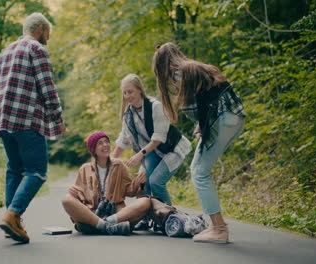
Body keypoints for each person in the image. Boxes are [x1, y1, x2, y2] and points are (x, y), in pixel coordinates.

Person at [152, 42, 246, 243]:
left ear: (162, 65)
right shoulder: (193, 67)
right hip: (235, 118)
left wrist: (204, 124)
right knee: (202, 170)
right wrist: (201, 125)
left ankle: (219, 229)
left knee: (199, 172)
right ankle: (215, 225)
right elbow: (209, 99)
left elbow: (194, 107)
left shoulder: (179, 74)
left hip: (223, 120)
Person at [0, 12, 66, 243]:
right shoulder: (37, 49)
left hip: (4, 120)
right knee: (36, 171)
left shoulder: (4, 52)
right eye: (48, 34)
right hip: (27, 119)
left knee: (14, 170)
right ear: (41, 30)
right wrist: (58, 118)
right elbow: (47, 87)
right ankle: (12, 215)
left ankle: (12, 219)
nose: (48, 39)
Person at [113, 73, 192, 230]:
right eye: (125, 92)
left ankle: (171, 218)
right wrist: (110, 161)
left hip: (171, 149)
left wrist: (139, 156)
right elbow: (123, 140)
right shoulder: (128, 114)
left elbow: (158, 139)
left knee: (156, 181)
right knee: (142, 183)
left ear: (139, 90)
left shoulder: (155, 107)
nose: (127, 96)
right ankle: (146, 218)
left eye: (130, 91)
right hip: (151, 152)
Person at [61, 131, 150, 235]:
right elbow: (80, 197)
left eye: (107, 142)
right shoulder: (85, 168)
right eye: (100, 143)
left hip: (117, 213)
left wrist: (139, 183)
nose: (105, 145)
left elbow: (129, 190)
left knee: (145, 202)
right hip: (92, 212)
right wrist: (74, 194)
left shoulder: (119, 165)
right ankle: (109, 227)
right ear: (93, 149)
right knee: (66, 199)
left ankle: (101, 225)